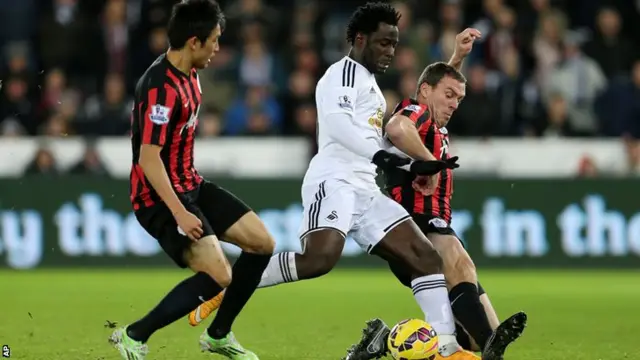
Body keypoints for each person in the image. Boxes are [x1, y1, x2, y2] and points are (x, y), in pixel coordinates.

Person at [190, 3, 481, 359]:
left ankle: (446, 348)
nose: (390, 52)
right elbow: (340, 126)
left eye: (394, 44)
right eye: (383, 43)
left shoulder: (372, 88)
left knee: (425, 256)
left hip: (365, 188)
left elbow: (378, 141)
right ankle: (233, 283)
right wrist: (384, 158)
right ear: (360, 39)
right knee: (319, 260)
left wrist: (411, 166)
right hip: (334, 180)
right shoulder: (342, 74)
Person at [341, 33, 527, 360]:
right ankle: (489, 347)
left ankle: (381, 341)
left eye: (460, 98)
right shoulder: (416, 112)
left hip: (426, 227)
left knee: (466, 336)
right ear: (426, 92)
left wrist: (456, 58)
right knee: (459, 261)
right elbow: (397, 127)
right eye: (450, 96)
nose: (455, 104)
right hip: (416, 222)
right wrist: (431, 163)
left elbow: (437, 82)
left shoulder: (432, 118)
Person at [108, 1, 274, 359]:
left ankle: (218, 335)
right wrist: (180, 214)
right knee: (220, 274)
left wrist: (191, 199)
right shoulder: (159, 88)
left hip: (191, 184)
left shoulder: (191, 76)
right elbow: (148, 159)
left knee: (262, 243)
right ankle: (134, 335)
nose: (217, 48)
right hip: (157, 197)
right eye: (214, 40)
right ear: (194, 41)